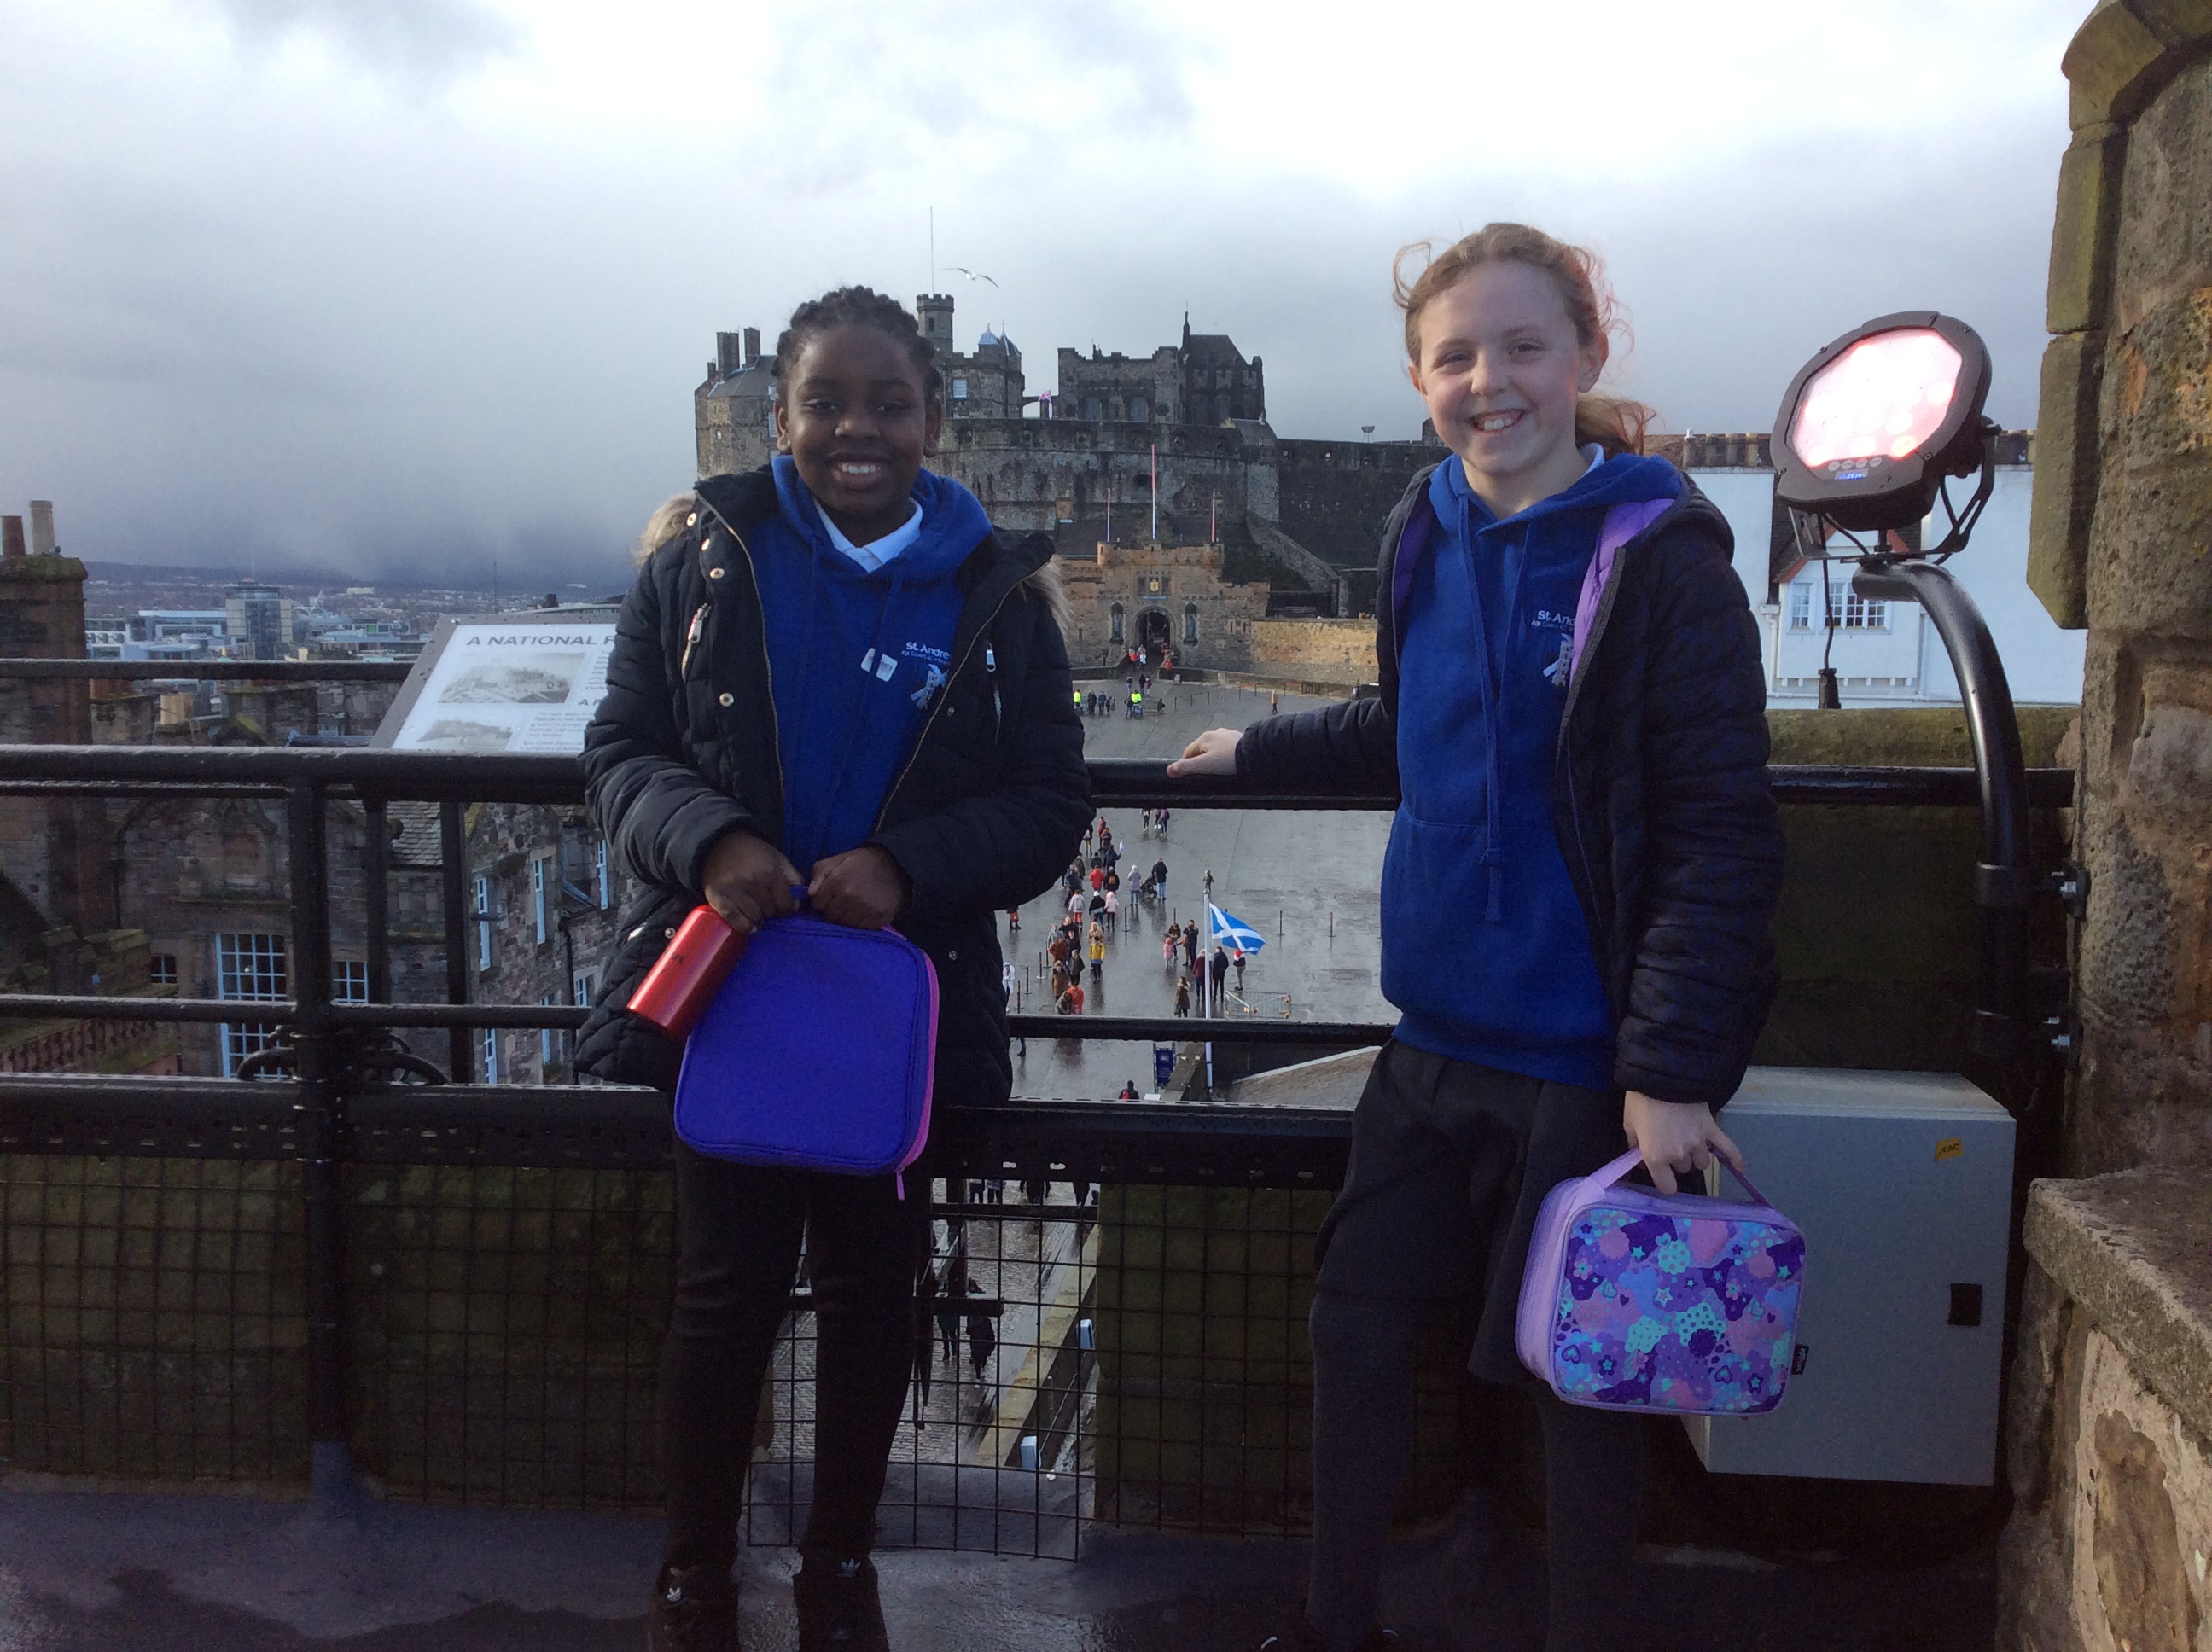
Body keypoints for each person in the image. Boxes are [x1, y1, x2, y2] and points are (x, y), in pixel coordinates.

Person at [1168, 225, 1784, 1652]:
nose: (1488, 381)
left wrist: (1670, 1066)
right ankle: (1336, 1628)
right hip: (1432, 1039)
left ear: (1584, 354)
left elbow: (1717, 827)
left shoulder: (1661, 558)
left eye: (1521, 347)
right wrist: (1255, 750)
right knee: (1355, 1332)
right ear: (1418, 379)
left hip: (1588, 1063)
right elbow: (1409, 726)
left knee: (1581, 1381)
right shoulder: (1422, 531)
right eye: (1455, 356)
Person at [577, 284, 1088, 1652]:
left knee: (875, 1296)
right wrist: (713, 839)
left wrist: (907, 869)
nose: (857, 429)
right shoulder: (701, 561)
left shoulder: (999, 593)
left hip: (896, 1001)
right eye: (825, 403)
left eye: (888, 403)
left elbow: (1050, 802)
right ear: (780, 417)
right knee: (723, 1293)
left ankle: (839, 1565)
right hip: (734, 982)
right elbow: (621, 752)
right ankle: (695, 1571)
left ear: (933, 419)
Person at [1208, 943, 1229, 1010]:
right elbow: (1227, 964)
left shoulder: (1215, 956)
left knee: (1216, 985)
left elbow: (1212, 965)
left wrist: (1212, 971)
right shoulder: (1224, 956)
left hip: (1216, 973)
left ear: (1218, 950)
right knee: (1222, 985)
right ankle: (1222, 996)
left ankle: (1214, 997)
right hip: (1222, 973)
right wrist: (1223, 969)